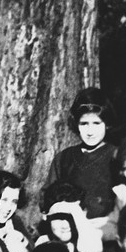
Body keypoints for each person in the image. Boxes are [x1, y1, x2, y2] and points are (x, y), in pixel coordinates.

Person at [48, 87, 118, 224]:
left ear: (107, 124)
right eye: (84, 124)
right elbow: (48, 197)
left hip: (106, 232)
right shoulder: (64, 159)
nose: (90, 131)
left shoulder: (117, 156)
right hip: (69, 231)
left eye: (96, 123)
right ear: (76, 124)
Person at [35, 181, 105, 252]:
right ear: (46, 216)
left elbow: (93, 251)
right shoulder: (44, 243)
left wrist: (75, 210)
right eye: (58, 217)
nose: (65, 225)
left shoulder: (87, 237)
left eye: (71, 218)